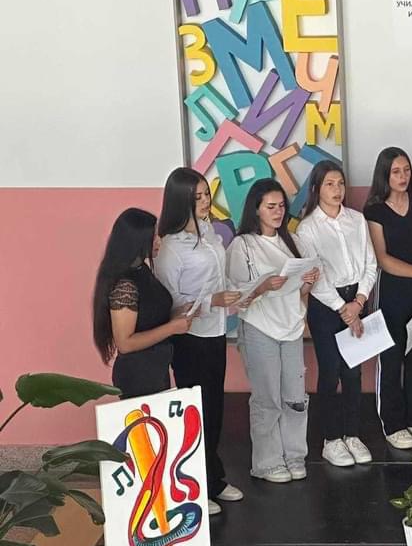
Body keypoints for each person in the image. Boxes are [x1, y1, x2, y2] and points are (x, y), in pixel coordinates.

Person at [155, 167, 243, 514]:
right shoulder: (170, 247)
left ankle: (213, 477)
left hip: (216, 331)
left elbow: (219, 278)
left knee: (215, 408)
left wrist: (236, 294)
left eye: (207, 194)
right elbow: (170, 302)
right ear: (181, 201)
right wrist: (211, 301)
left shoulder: (209, 232)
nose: (206, 202)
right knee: (196, 412)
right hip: (190, 338)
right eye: (198, 197)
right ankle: (193, 486)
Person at [226, 179, 318, 483]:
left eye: (281, 206)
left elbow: (300, 292)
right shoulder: (243, 245)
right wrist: (263, 286)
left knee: (295, 395)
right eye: (271, 207)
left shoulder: (294, 242)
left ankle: (294, 455)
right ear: (256, 209)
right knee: (267, 397)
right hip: (259, 326)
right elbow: (236, 297)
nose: (278, 212)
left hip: (291, 326)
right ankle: (267, 462)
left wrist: (308, 282)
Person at [295, 160, 378, 468]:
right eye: (330, 184)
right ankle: (331, 439)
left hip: (357, 298)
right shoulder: (307, 228)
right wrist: (343, 309)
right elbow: (315, 277)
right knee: (330, 371)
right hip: (327, 305)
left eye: (340, 183)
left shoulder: (357, 219)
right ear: (317, 189)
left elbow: (370, 264)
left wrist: (358, 302)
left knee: (353, 371)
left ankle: (352, 433)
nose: (337, 189)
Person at [365, 147, 412, 449]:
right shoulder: (375, 211)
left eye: (406, 170)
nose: (403, 176)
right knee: (392, 358)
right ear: (385, 175)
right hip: (392, 293)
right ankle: (393, 424)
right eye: (396, 171)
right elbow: (383, 259)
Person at [92, 208, 192, 399]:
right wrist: (172, 328)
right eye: (153, 237)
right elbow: (125, 343)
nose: (159, 241)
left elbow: (149, 317)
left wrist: (178, 314)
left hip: (156, 369)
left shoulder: (142, 269)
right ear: (137, 241)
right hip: (137, 376)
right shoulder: (125, 286)